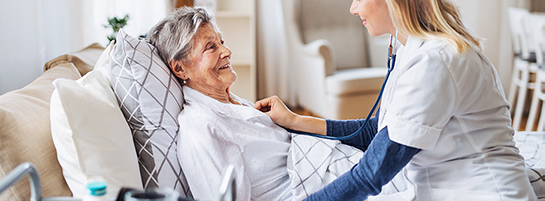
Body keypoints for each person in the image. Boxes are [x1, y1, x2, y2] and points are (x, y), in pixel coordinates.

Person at [255, 0, 538, 200]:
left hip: (483, 193)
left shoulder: (436, 60)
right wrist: (294, 120)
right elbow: (374, 131)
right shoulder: (411, 49)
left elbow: (372, 173)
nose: (353, 8)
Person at [147, 6, 396, 201]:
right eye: (210, 47)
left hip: (350, 170)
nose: (226, 51)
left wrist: (292, 122)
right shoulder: (201, 128)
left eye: (221, 41)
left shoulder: (233, 104)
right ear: (179, 68)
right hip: (341, 188)